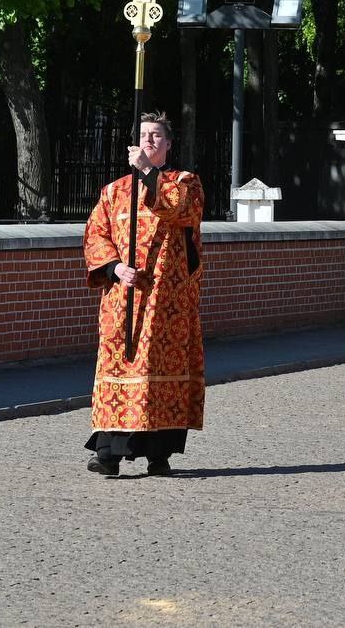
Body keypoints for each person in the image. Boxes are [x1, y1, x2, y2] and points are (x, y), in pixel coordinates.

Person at [83, 111, 205, 477]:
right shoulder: (114, 191)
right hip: (123, 300)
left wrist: (149, 175)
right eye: (143, 135)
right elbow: (95, 234)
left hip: (166, 304)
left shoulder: (185, 182)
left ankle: (158, 453)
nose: (149, 140)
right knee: (118, 368)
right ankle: (107, 454)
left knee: (158, 372)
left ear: (168, 144)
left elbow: (179, 209)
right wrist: (115, 268)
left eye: (156, 136)